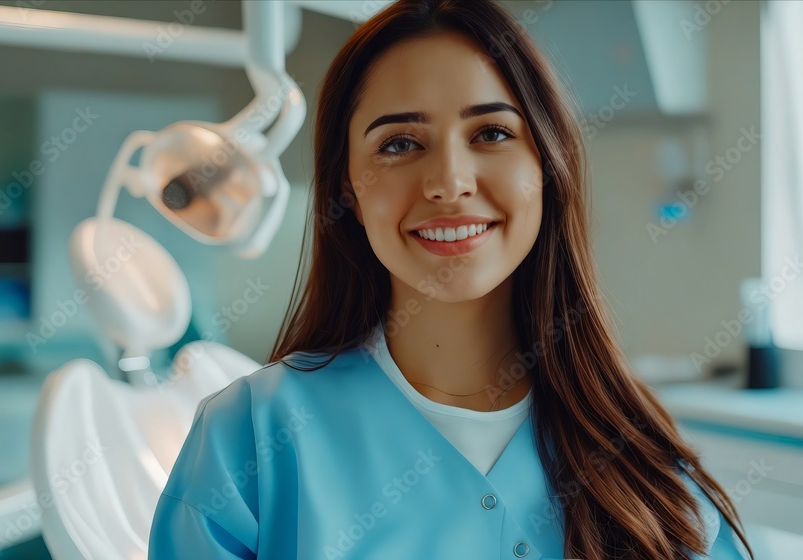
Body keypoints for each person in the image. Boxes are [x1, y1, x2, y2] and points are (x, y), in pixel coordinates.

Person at [148, 0, 754, 558]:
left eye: (491, 133)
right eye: (400, 143)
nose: (448, 181)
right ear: (347, 190)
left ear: (546, 167)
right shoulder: (249, 441)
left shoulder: (648, 470)